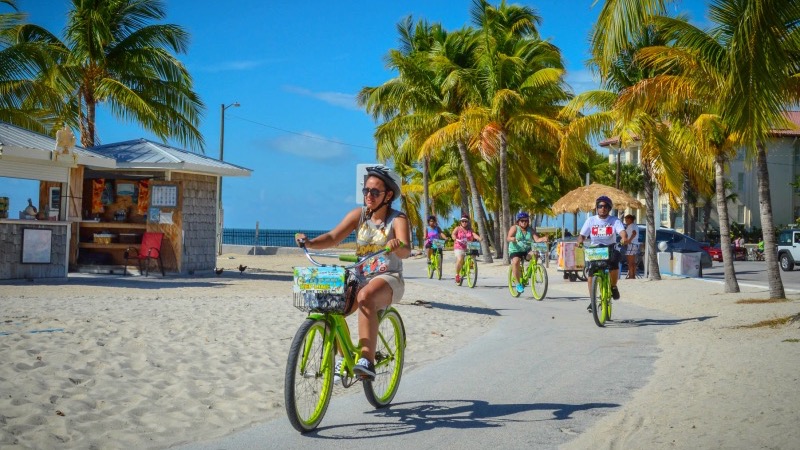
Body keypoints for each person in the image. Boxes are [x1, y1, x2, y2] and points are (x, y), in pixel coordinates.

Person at [294, 165, 410, 380]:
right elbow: (333, 237)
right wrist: (309, 242)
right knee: (330, 306)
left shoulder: (398, 218)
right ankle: (343, 357)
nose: (369, 196)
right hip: (360, 276)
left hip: (388, 277)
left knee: (365, 297)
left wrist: (397, 245)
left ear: (388, 195)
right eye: (366, 191)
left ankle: (366, 359)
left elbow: (405, 250)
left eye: (375, 192)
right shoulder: (359, 215)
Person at [576, 196, 628, 312]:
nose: (602, 208)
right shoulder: (591, 220)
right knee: (590, 274)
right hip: (595, 250)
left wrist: (624, 238)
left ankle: (613, 286)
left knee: (614, 264)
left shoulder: (614, 220)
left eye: (605, 206)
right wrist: (580, 241)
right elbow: (582, 235)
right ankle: (593, 300)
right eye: (600, 206)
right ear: (597, 208)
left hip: (610, 248)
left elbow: (622, 232)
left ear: (609, 208)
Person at [507, 212, 548, 293]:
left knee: (535, 253)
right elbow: (508, 237)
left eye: (526, 220)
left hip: (526, 250)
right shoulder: (514, 228)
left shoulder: (530, 230)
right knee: (516, 262)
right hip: (515, 250)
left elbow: (537, 239)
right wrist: (513, 239)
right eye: (522, 220)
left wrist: (543, 238)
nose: (524, 222)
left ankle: (530, 270)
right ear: (518, 221)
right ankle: (518, 284)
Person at [452, 214, 481, 283]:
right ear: (460, 222)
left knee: (473, 254)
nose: (464, 223)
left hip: (468, 246)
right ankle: (457, 275)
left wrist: (479, 238)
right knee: (460, 259)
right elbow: (453, 234)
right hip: (459, 246)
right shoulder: (457, 228)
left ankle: (470, 264)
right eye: (463, 221)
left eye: (466, 221)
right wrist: (455, 238)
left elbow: (474, 234)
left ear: (468, 222)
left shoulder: (470, 229)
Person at [623, 214, 639, 279]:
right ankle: (632, 275)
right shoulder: (633, 226)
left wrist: (629, 240)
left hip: (631, 244)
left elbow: (634, 233)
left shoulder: (632, 226)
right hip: (634, 244)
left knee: (630, 262)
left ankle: (631, 276)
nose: (626, 221)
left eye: (627, 219)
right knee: (632, 262)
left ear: (630, 219)